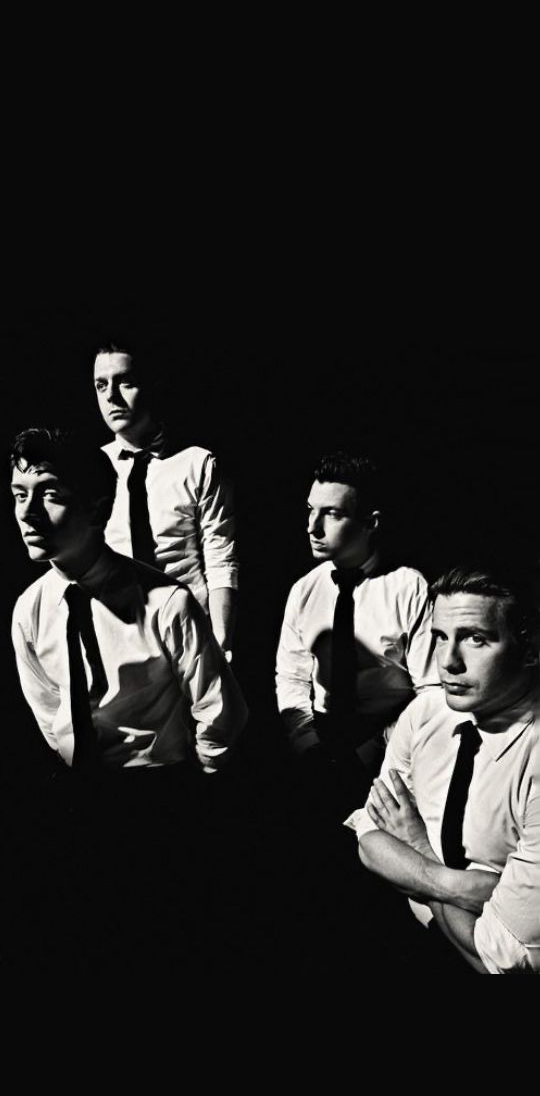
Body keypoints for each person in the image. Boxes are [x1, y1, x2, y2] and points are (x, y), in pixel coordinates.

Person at [9, 426, 248, 969]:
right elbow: (50, 714)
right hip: (77, 799)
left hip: (164, 798)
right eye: (18, 495)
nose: (27, 515)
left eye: (49, 495)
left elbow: (218, 712)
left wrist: (199, 799)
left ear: (97, 508)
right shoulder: (30, 609)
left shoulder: (166, 602)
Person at [345, 560, 540, 974]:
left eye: (475, 639)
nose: (448, 662)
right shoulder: (427, 710)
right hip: (406, 943)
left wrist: (416, 850)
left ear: (531, 649)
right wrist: (463, 886)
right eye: (439, 637)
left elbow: (498, 955)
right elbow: (368, 833)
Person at [276, 451, 439, 813]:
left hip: (390, 746)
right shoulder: (304, 590)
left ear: (371, 523)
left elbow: (430, 691)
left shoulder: (409, 587)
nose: (312, 527)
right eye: (309, 510)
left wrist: (374, 750)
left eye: (332, 514)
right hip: (318, 738)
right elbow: (291, 676)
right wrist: (307, 743)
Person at [93, 341, 238, 656]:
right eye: (101, 385)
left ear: (151, 385)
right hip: (121, 639)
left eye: (125, 382)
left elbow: (220, 558)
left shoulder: (197, 463)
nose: (111, 396)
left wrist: (221, 643)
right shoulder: (91, 469)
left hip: (191, 633)